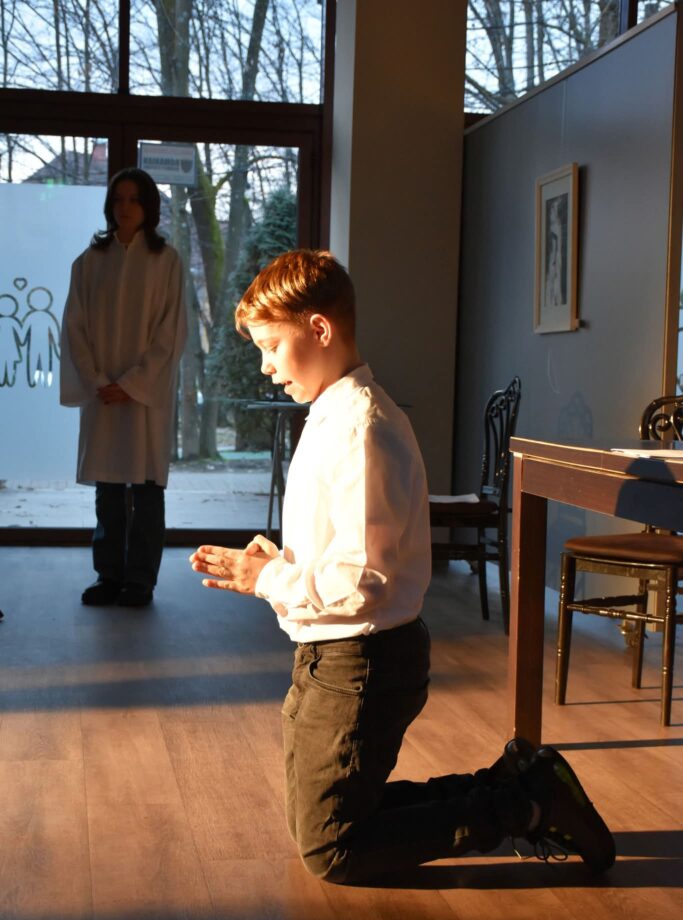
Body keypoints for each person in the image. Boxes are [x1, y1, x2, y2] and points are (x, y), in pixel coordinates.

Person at [189, 249, 615, 885]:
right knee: (324, 824)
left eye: (272, 346)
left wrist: (270, 580)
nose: (265, 366)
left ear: (319, 329)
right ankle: (517, 787)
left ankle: (524, 807)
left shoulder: (362, 427)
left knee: (331, 850)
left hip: (363, 663)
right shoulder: (331, 417)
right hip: (331, 655)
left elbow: (364, 581)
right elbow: (347, 554)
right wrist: (279, 563)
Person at [61, 168, 187, 607]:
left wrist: (132, 383)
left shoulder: (166, 262)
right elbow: (74, 328)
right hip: (103, 395)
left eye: (134, 199)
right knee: (109, 489)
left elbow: (171, 333)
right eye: (118, 199)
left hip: (145, 398)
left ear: (149, 206)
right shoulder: (90, 262)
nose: (125, 207)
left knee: (147, 489)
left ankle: (140, 581)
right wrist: (99, 382)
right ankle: (108, 575)